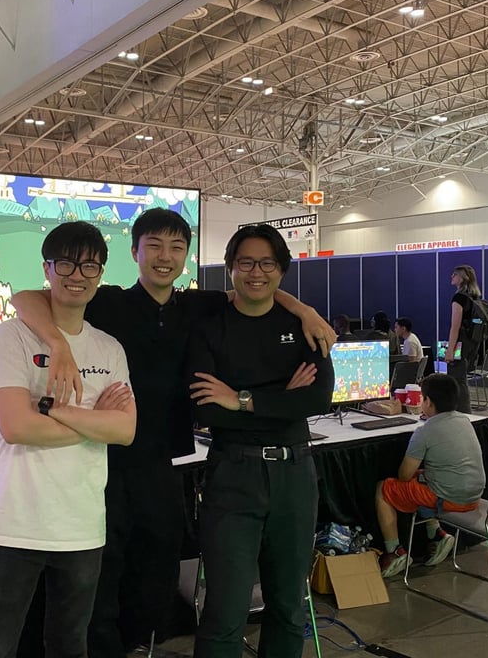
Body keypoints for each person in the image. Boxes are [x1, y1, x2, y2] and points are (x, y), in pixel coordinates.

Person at [11, 208, 335, 657]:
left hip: (162, 463)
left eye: (177, 247)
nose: (166, 257)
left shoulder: (197, 306)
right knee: (101, 573)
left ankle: (138, 646)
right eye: (155, 246)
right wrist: (56, 342)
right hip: (102, 458)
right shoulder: (109, 302)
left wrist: (303, 310)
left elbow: (255, 288)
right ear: (135, 252)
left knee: (154, 574)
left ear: (187, 256)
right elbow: (25, 298)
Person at [0, 221, 136, 658]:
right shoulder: (12, 335)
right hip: (13, 524)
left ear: (100, 274)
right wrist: (93, 421)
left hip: (81, 528)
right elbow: (17, 428)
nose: (77, 275)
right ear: (47, 268)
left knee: (70, 647)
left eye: (89, 266)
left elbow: (124, 431)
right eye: (66, 264)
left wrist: (50, 408)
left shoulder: (109, 349)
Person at [188, 223, 334, 658]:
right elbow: (206, 409)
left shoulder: (303, 325)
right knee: (225, 610)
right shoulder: (209, 327)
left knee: (289, 605)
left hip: (295, 476)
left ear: (282, 270)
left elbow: (317, 397)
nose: (257, 272)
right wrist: (281, 396)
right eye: (246, 262)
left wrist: (241, 398)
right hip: (233, 474)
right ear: (230, 267)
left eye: (267, 263)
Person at [375, 373, 485, 577]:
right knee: (424, 477)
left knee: (384, 488)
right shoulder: (464, 421)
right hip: (473, 497)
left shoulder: (425, 432)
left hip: (450, 499)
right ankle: (436, 534)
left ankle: (394, 551)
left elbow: (404, 475)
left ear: (428, 402)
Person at [444, 264, 481, 413]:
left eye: (455, 274)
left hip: (459, 344)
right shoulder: (474, 298)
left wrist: (450, 350)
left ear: (462, 278)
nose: (451, 276)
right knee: (462, 379)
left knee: (457, 380)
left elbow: (455, 326)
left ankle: (463, 412)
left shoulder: (459, 298)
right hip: (472, 343)